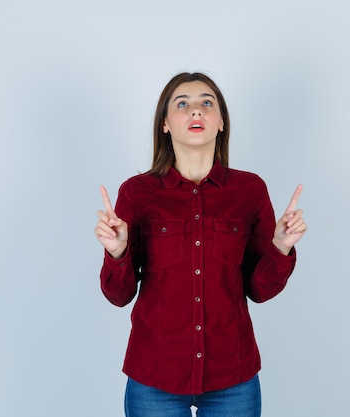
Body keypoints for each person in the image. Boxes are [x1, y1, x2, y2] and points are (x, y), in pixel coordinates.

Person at [94, 72, 307, 417]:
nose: (196, 111)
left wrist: (280, 247)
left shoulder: (250, 191)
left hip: (233, 379)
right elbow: (118, 295)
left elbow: (259, 289)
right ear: (165, 124)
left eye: (207, 103)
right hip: (155, 378)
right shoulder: (137, 194)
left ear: (221, 122)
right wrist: (117, 253)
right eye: (183, 104)